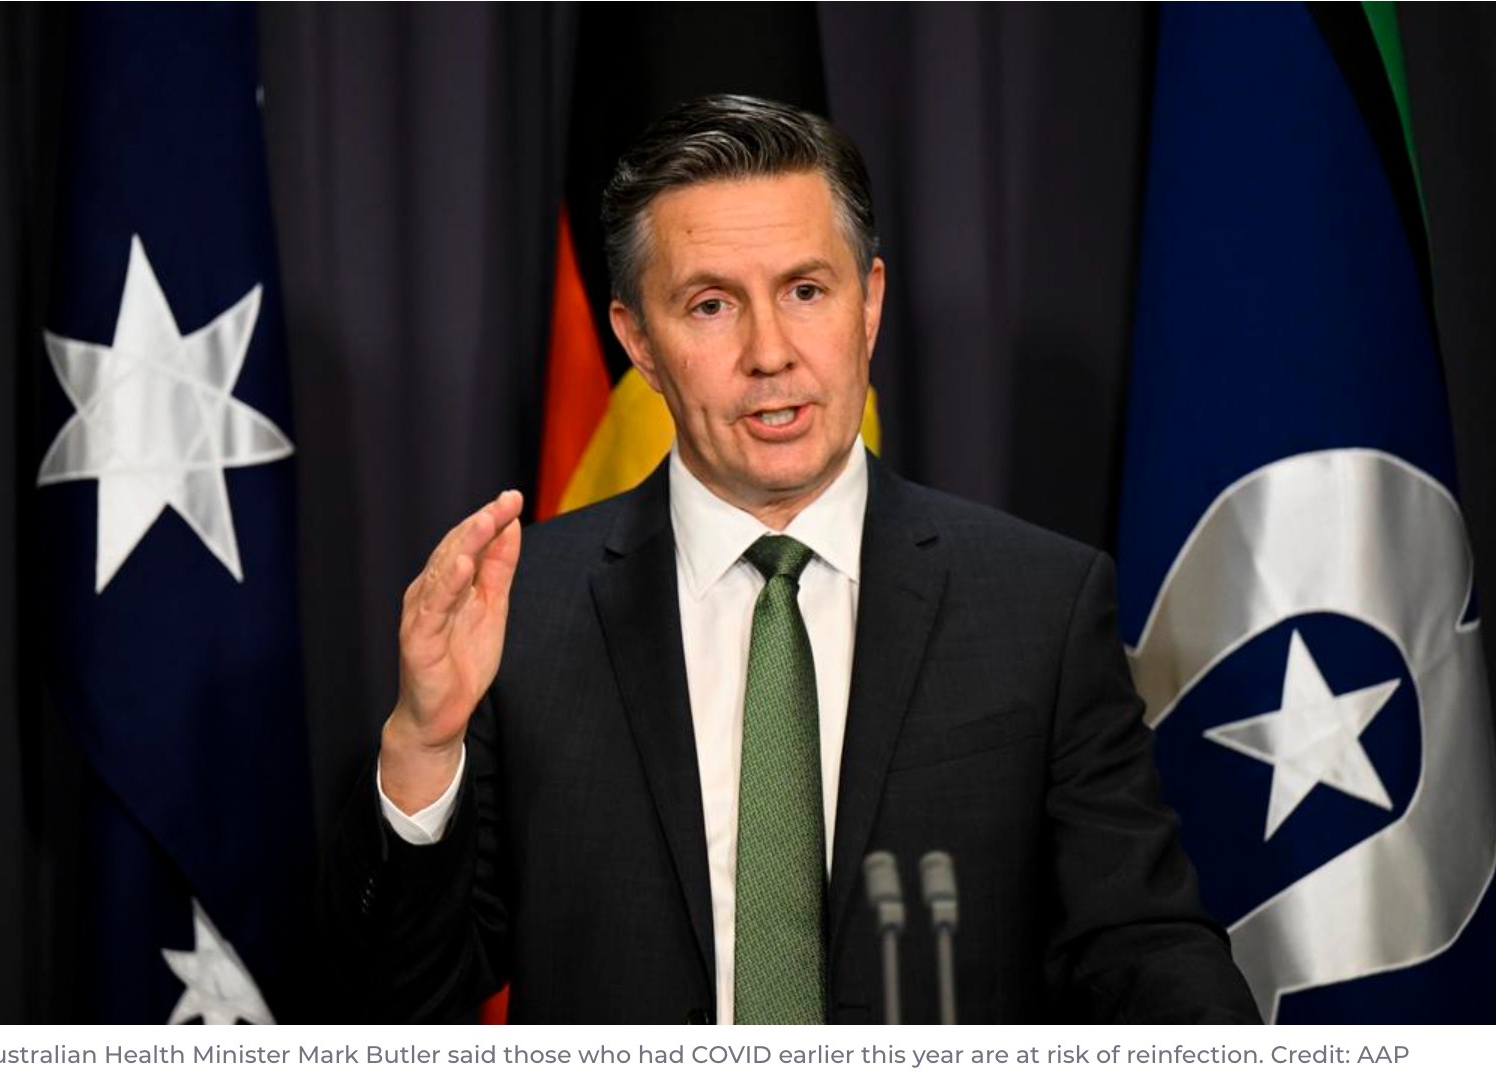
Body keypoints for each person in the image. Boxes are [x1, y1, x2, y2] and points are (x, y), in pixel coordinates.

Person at [323, 94, 1260, 1024]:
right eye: (711, 305)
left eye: (806, 291)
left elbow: (1140, 946)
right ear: (639, 342)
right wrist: (424, 746)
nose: (769, 353)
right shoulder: (521, 611)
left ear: (869, 304)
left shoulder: (1038, 603)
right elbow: (403, 1000)